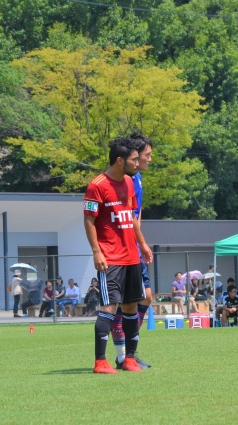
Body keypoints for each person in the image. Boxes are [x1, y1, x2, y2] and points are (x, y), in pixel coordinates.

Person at [83, 136, 153, 374]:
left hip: (132, 257)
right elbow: (89, 220)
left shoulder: (130, 183)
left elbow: (131, 217)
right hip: (110, 258)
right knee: (109, 308)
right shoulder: (97, 185)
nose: (138, 162)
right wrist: (96, 251)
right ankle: (100, 361)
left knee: (131, 307)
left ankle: (130, 359)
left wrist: (142, 244)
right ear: (120, 160)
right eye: (134, 159)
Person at [109, 131, 154, 370]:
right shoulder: (125, 180)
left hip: (133, 245)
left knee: (144, 298)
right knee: (129, 302)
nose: (147, 159)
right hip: (125, 248)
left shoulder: (136, 179)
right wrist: (142, 243)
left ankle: (127, 352)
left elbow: (138, 214)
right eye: (145, 155)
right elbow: (130, 219)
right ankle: (123, 354)